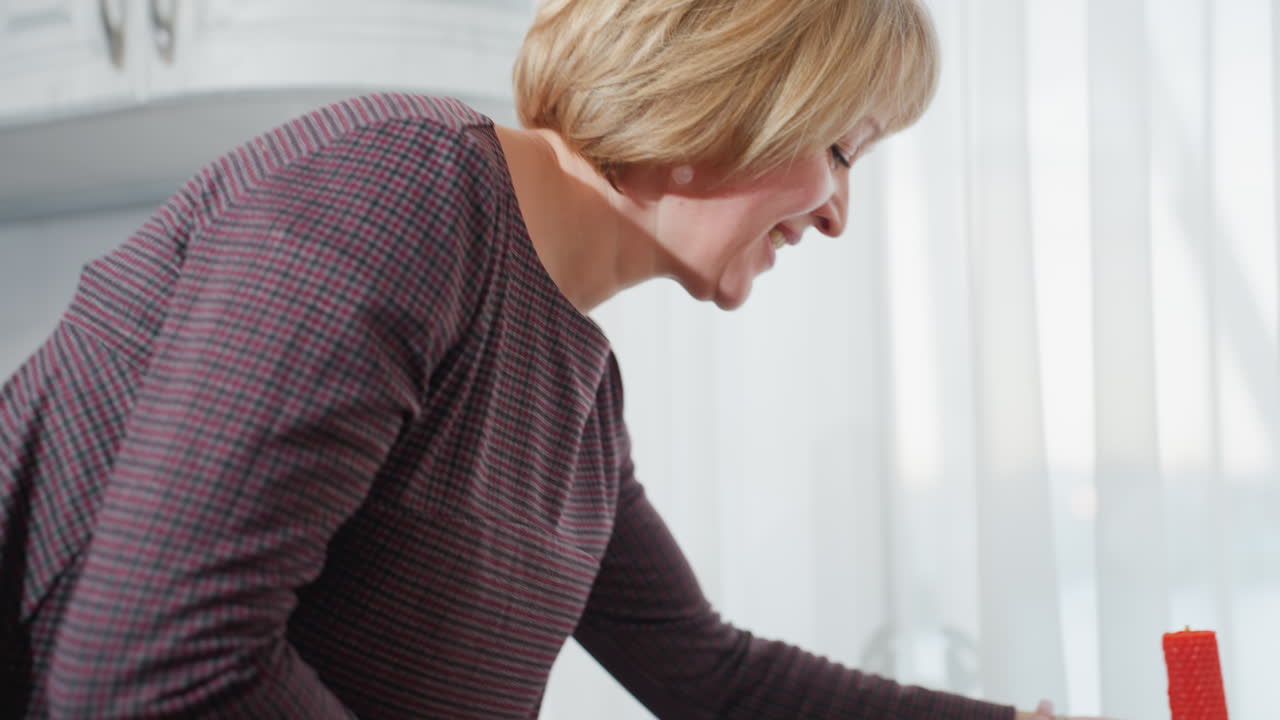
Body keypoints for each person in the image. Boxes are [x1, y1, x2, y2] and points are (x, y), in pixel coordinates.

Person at [0, 1, 1114, 718]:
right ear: (725, 87)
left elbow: (703, 672)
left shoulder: (575, 391)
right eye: (839, 148)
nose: (835, 215)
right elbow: (156, 669)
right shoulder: (403, 190)